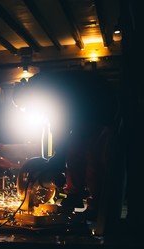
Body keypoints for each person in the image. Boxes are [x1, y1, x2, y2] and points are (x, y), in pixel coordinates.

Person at [14, 69, 119, 219]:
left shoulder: (45, 89)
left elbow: (60, 125)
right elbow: (60, 125)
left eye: (26, 107)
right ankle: (75, 196)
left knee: (93, 160)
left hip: (99, 109)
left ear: (27, 97)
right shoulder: (42, 86)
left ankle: (95, 207)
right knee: (75, 153)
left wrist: (58, 156)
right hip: (87, 111)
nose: (29, 110)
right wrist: (59, 155)